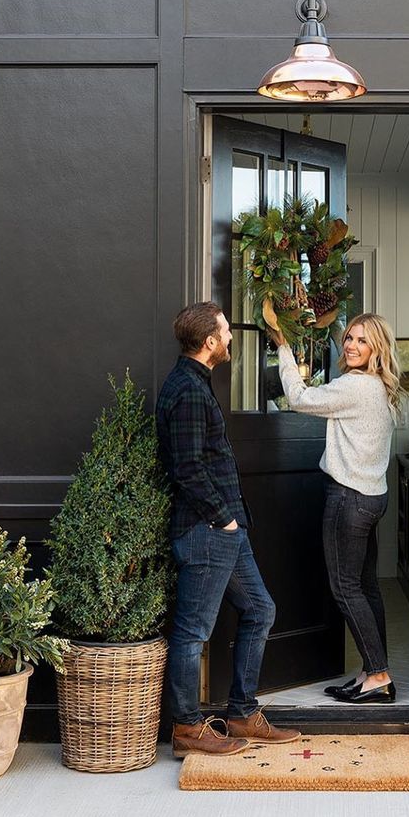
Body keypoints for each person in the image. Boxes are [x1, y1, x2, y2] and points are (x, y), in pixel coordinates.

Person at [157, 301, 300, 756]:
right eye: (226, 332)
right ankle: (186, 729)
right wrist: (224, 518)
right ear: (209, 342)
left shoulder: (195, 383)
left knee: (261, 610)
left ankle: (240, 714)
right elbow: (187, 469)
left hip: (223, 532)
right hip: (207, 531)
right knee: (193, 632)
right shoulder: (187, 390)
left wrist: (231, 523)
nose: (232, 338)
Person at [273, 313, 405, 704]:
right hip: (372, 497)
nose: (350, 345)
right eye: (349, 337)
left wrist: (282, 346)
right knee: (365, 587)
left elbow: (298, 399)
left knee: (345, 588)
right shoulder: (380, 387)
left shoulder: (355, 386)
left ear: (376, 350)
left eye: (362, 341)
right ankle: (373, 670)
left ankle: (378, 673)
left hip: (349, 498)